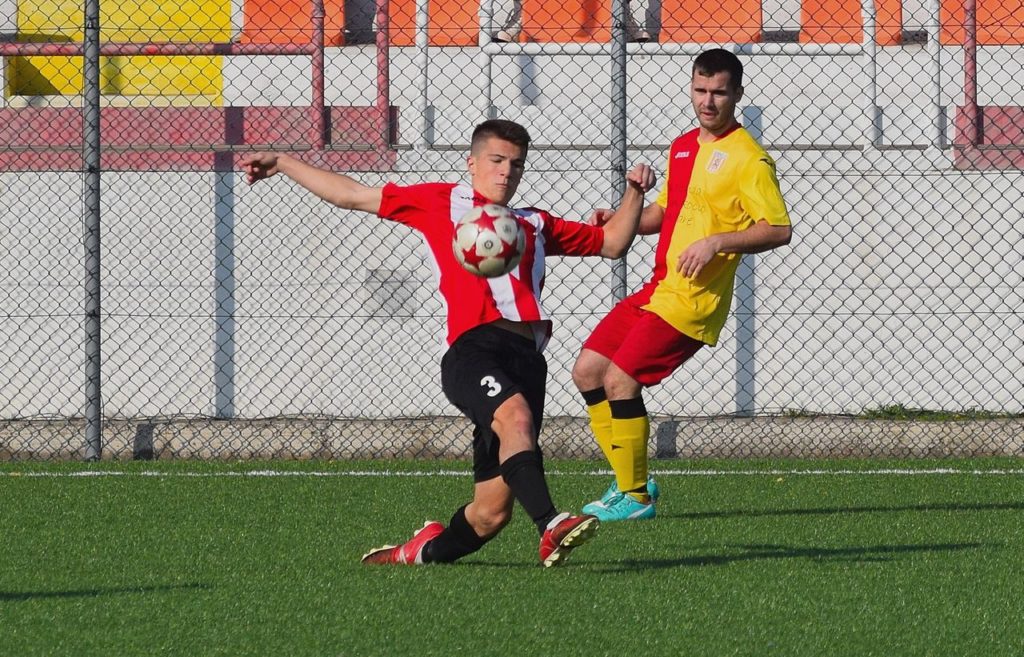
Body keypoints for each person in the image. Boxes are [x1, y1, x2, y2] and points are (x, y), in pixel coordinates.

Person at [240, 119, 655, 566]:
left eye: (516, 165)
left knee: (490, 515)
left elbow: (613, 243)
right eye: (496, 161)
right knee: (515, 418)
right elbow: (351, 195)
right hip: (472, 352)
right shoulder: (444, 201)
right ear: (472, 162)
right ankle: (551, 524)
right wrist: (283, 162)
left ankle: (420, 552)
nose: (506, 173)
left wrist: (634, 191)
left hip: (527, 361)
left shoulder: (533, 223)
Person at [572, 48, 793, 522]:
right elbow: (662, 214)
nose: (707, 101)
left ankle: (635, 499)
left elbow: (777, 228)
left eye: (718, 92)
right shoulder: (683, 146)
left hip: (694, 299)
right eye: (700, 90)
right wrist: (622, 215)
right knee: (588, 371)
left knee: (621, 380)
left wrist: (717, 242)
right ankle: (628, 481)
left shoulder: (750, 158)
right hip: (659, 287)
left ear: (736, 94)